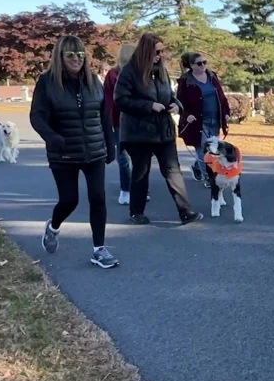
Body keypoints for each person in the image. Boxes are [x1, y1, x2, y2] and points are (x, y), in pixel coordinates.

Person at [29, 35, 119, 269]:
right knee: (69, 200)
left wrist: (111, 145)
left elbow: (104, 115)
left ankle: (99, 249)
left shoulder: (93, 81)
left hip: (94, 150)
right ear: (60, 57)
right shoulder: (47, 82)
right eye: (70, 55)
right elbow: (37, 116)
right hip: (64, 153)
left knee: (98, 198)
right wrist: (51, 136)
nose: (76, 59)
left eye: (80, 55)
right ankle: (53, 226)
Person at [114, 33, 202, 226]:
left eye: (162, 51)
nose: (160, 55)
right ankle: (136, 211)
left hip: (163, 130)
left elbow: (169, 94)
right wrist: (148, 106)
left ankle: (185, 211)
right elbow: (120, 99)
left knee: (173, 170)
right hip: (138, 133)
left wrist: (177, 105)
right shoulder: (129, 72)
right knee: (141, 171)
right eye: (157, 51)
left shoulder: (161, 71)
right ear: (146, 51)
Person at [177, 52, 231, 187]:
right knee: (202, 149)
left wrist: (225, 112)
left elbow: (221, 97)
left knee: (213, 149)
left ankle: (197, 167)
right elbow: (180, 101)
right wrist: (186, 114)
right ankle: (209, 178)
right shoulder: (186, 81)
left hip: (215, 119)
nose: (203, 66)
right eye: (199, 63)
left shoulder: (212, 76)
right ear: (191, 66)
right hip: (197, 122)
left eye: (204, 62)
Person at [103, 44, 145, 205]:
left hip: (139, 120)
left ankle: (138, 189)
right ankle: (126, 189)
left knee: (139, 157)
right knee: (125, 157)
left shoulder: (141, 73)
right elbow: (109, 100)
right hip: (121, 121)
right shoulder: (114, 75)